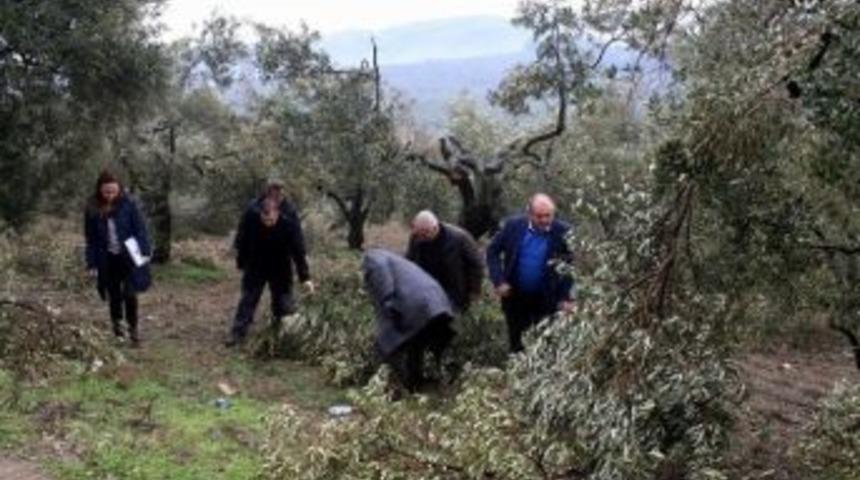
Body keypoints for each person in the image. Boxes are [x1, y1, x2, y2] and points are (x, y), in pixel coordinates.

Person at [486, 193, 574, 353]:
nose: (544, 220)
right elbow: (492, 251)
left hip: (547, 298)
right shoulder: (513, 226)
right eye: (539, 216)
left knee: (548, 345)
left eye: (548, 215)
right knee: (517, 344)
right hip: (515, 297)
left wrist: (566, 297)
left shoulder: (563, 232)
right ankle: (516, 374)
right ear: (529, 214)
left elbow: (568, 267)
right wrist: (498, 281)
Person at [362, 248, 455, 391]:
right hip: (437, 302)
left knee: (389, 345)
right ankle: (415, 383)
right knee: (416, 343)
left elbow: (383, 283)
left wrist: (387, 309)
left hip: (417, 303)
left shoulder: (372, 258)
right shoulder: (397, 259)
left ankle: (396, 386)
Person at [226, 198, 313, 347]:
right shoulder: (252, 220)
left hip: (280, 268)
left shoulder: (288, 225)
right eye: (264, 219)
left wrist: (305, 277)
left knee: (283, 303)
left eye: (271, 220)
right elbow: (242, 240)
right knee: (248, 299)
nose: (268, 223)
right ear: (260, 214)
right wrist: (241, 262)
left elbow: (298, 252)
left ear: (277, 213)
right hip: (255, 265)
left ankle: (280, 335)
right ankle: (237, 334)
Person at [84, 170, 152, 347]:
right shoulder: (92, 208)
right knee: (114, 296)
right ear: (99, 190)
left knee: (130, 294)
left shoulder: (129, 204)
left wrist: (144, 252)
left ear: (119, 189)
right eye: (106, 192)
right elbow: (90, 239)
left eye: (113, 191)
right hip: (107, 258)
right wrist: (91, 263)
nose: (110, 195)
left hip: (129, 256)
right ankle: (118, 333)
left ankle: (134, 332)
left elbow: (141, 230)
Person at [406, 210, 484, 313]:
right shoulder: (416, 237)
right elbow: (409, 261)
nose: (421, 238)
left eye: (424, 235)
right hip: (426, 290)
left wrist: (474, 291)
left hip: (453, 291)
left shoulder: (459, 238)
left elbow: (476, 264)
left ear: (434, 228)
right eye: (418, 234)